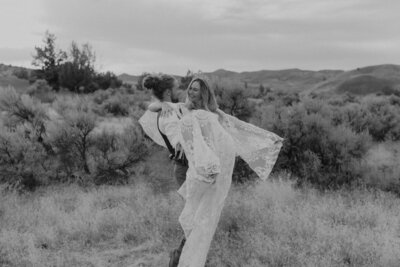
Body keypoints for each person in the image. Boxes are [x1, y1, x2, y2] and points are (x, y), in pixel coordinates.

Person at [140, 76, 283, 267]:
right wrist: (163, 106)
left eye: (195, 89)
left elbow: (231, 126)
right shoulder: (178, 109)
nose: (189, 91)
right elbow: (160, 116)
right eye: (189, 88)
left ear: (204, 93)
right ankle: (181, 259)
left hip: (203, 168)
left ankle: (187, 257)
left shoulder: (202, 111)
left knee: (200, 217)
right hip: (189, 170)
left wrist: (263, 140)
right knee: (195, 216)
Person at [139, 73, 189, 187]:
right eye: (176, 88)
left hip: (185, 168)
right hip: (186, 169)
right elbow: (178, 144)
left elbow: (151, 106)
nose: (178, 90)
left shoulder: (170, 108)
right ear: (168, 92)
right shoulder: (169, 115)